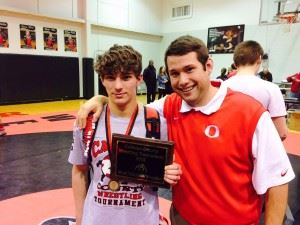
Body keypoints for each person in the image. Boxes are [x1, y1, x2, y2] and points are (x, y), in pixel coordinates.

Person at [76, 36, 295, 225]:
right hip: (183, 219)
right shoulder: (171, 106)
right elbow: (129, 108)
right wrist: (100, 100)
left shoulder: (249, 113)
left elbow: (277, 181)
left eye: (189, 69)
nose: (183, 81)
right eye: (174, 73)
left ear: (208, 66)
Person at [69, 44, 182, 225]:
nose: (118, 86)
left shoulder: (157, 123)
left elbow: (170, 167)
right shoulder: (88, 122)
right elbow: (79, 171)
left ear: (139, 79)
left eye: (126, 77)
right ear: (102, 80)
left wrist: (171, 172)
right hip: (96, 219)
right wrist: (80, 217)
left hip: (142, 219)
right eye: (111, 78)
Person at [223, 40, 288, 141]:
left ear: (235, 63)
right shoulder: (271, 89)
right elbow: (281, 133)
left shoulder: (221, 87)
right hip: (257, 151)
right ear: (260, 59)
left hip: (227, 147)